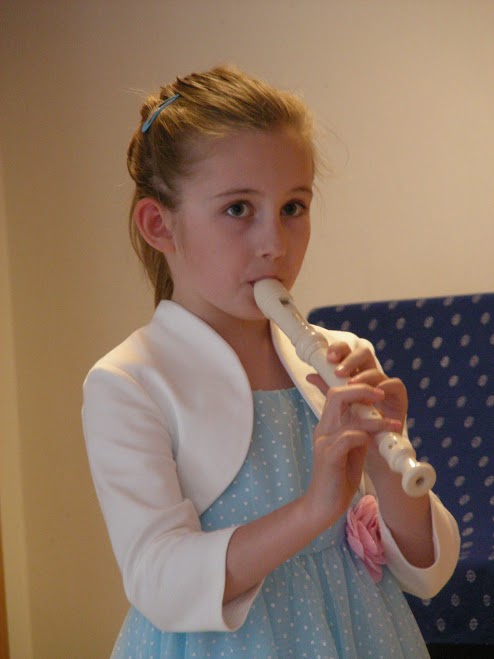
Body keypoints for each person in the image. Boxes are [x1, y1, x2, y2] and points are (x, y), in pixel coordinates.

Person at [82, 65, 460, 658]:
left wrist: (388, 467)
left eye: (293, 207)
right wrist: (314, 510)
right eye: (238, 209)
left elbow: (426, 571)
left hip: (361, 630)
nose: (275, 244)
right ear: (160, 224)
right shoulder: (130, 382)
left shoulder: (344, 355)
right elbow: (159, 581)